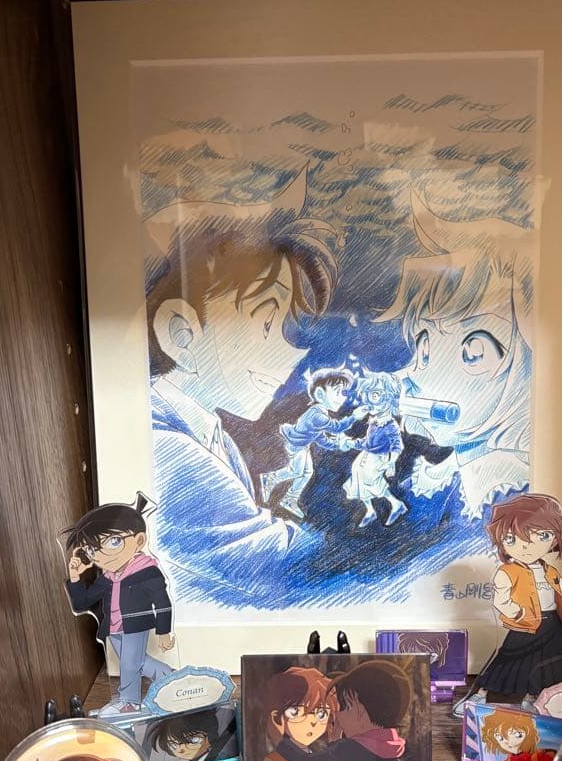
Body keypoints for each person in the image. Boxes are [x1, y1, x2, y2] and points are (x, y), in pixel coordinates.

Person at [144, 167, 338, 605]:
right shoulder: (166, 449)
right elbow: (275, 565)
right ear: (181, 334)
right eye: (265, 321)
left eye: (288, 327)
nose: (292, 353)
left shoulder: (206, 431)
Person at [377, 189, 533, 516]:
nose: (409, 375)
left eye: (425, 354)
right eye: (421, 348)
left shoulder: (507, 491)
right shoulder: (463, 471)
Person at [62, 492, 175, 715]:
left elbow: (163, 602)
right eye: (92, 549)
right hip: (113, 628)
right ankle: (173, 679)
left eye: (114, 542)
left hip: (135, 626)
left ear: (139, 540)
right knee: (138, 662)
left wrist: (164, 632)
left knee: (130, 665)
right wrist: (75, 577)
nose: (101, 555)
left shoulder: (147, 572)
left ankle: (129, 703)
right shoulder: (106, 577)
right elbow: (82, 603)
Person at [471, 492, 562, 699]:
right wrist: (517, 613)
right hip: (525, 622)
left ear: (555, 538)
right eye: (511, 539)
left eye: (542, 536)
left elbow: (557, 592)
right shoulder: (508, 572)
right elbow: (501, 599)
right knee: (513, 661)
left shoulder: (549, 570)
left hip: (552, 623)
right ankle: (484, 693)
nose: (526, 546)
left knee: (559, 660)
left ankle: (543, 697)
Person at [275, 659, 411, 761]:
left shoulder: (348, 748)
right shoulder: (396, 746)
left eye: (344, 707)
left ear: (360, 711)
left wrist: (279, 739)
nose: (338, 715)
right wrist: (335, 740)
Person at [261, 367, 366, 518]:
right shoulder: (317, 415)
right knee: (296, 471)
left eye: (343, 393)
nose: (342, 398)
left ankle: (290, 498)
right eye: (337, 392)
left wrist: (337, 445)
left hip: (302, 446)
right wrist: (354, 417)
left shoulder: (320, 415)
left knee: (307, 472)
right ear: (320, 394)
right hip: (296, 445)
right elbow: (336, 427)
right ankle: (270, 478)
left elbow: (321, 439)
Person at [342, 372, 408, 527]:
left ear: (389, 399)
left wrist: (391, 463)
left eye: (375, 395)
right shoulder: (374, 421)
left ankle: (396, 504)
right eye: (367, 395)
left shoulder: (390, 425)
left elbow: (398, 445)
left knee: (371, 481)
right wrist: (353, 443)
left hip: (380, 458)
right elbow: (368, 443)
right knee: (358, 476)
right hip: (367, 455)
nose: (368, 401)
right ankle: (370, 510)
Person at [259, 666, 340, 761]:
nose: (313, 722)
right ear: (277, 717)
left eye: (322, 714)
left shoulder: (318, 758)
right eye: (295, 712)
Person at [144, 708, 237, 761]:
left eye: (193, 741)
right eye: (173, 745)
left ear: (210, 737)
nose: (181, 750)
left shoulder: (222, 759)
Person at [479, 708, 556, 761]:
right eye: (499, 737)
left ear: (528, 733)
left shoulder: (541, 757)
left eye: (517, 734)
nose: (507, 741)